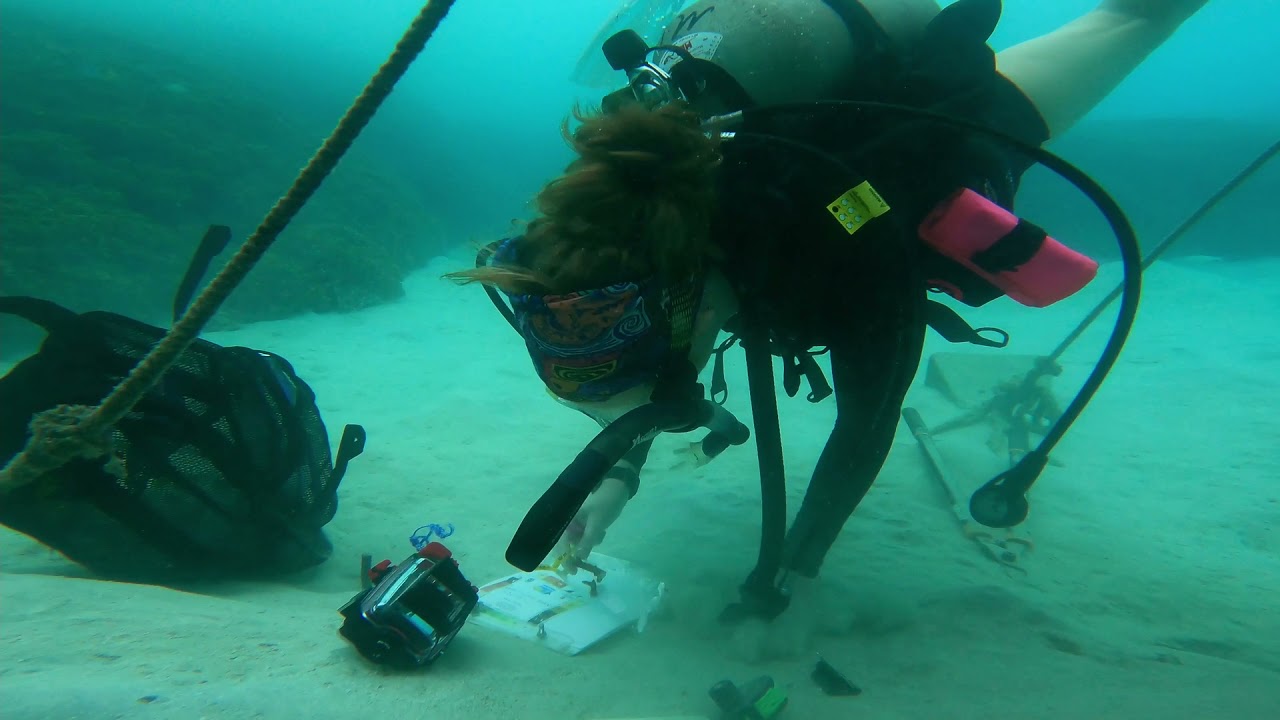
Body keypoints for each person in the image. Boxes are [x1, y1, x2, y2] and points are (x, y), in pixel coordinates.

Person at [448, 0, 1209, 637]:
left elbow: (866, 420)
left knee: (1135, 18)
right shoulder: (609, 215)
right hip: (801, 48)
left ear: (702, 310)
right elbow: (655, 358)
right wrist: (616, 475)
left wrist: (794, 575)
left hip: (890, 90)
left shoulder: (846, 241)